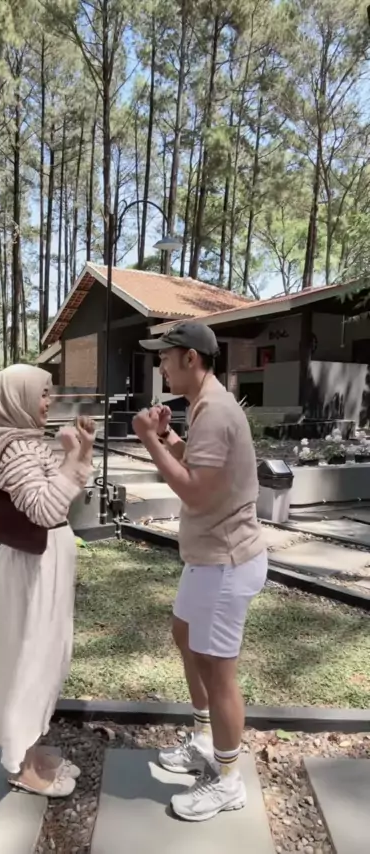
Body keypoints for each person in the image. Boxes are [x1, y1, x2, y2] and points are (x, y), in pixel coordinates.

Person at [133, 321, 267, 822]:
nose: (160, 366)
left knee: (217, 668)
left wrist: (148, 440)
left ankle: (228, 781)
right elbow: (202, 468)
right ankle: (205, 740)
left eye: (165, 357)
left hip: (226, 560)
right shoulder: (205, 405)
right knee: (186, 636)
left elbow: (194, 490)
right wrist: (167, 435)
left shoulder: (215, 411)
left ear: (191, 358)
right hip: (209, 556)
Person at [0, 364, 95, 798]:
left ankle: (30, 751)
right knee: (32, 659)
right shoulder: (16, 450)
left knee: (43, 656)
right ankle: (21, 765)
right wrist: (72, 459)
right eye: (41, 393)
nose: (48, 401)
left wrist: (79, 452)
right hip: (33, 566)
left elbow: (61, 497)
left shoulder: (26, 443)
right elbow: (45, 510)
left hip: (43, 562)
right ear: (16, 398)